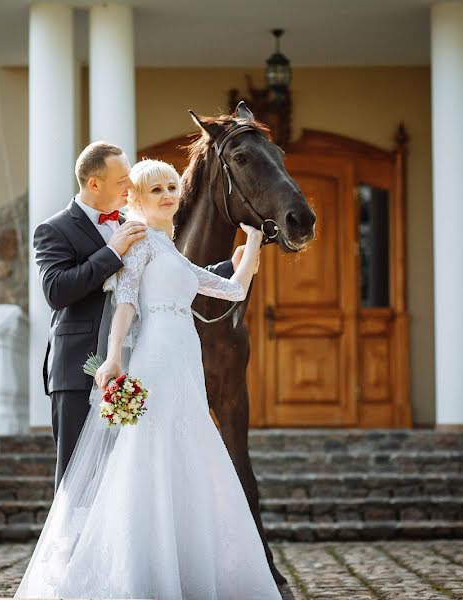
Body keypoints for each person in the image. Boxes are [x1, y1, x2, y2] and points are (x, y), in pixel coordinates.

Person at [16, 159, 281, 600]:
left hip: (184, 361)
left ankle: (184, 564)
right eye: (154, 189)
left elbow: (232, 290)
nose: (166, 195)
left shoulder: (171, 250)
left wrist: (251, 243)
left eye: (172, 186)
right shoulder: (137, 243)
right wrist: (114, 357)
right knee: (147, 453)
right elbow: (125, 302)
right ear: (135, 199)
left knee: (189, 449)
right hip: (154, 359)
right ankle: (137, 572)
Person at [33, 142, 247, 493]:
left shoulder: (132, 224)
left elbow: (168, 271)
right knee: (77, 479)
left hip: (137, 367)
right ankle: (70, 548)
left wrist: (230, 269)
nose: (130, 186)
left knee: (126, 478)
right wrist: (110, 252)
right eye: (122, 180)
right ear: (94, 184)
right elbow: (57, 292)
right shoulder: (54, 230)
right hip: (79, 365)